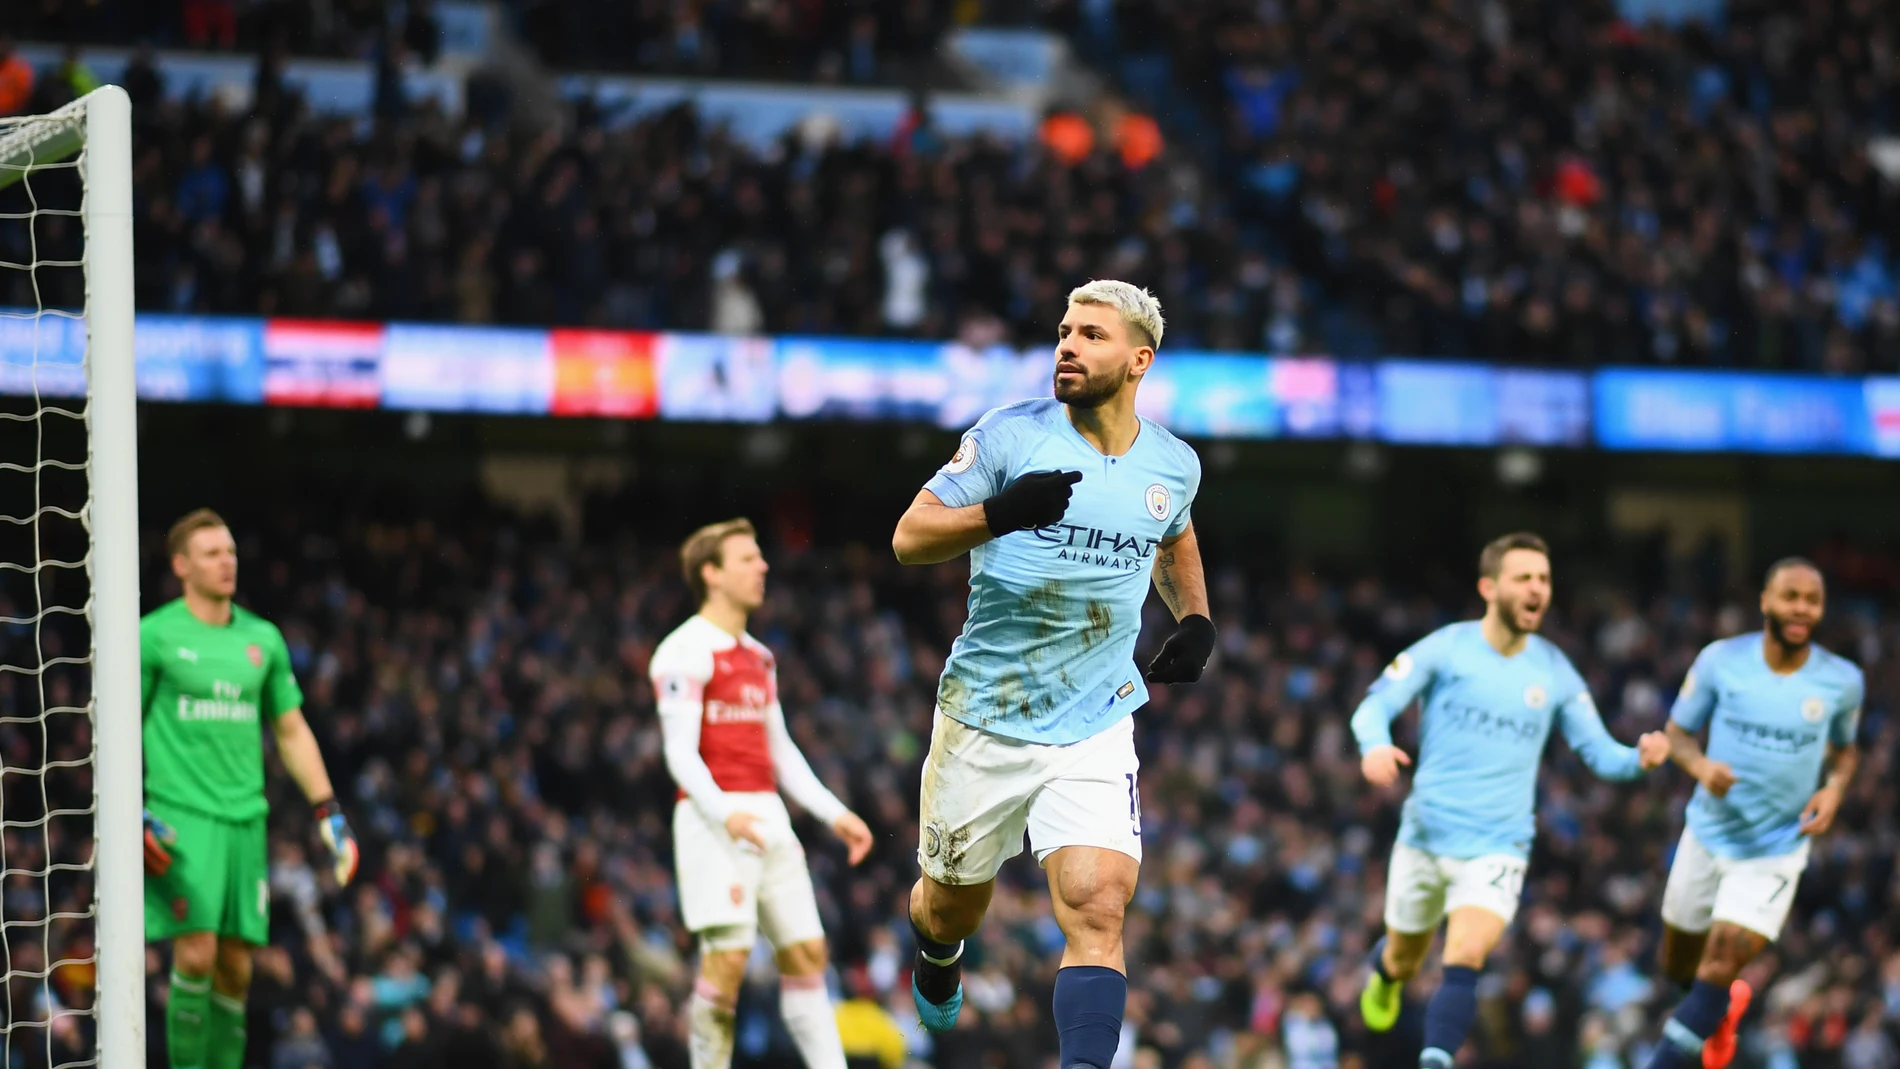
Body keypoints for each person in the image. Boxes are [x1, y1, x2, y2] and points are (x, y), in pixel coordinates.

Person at [891, 279, 1215, 1069]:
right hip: (986, 714)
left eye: (1091, 335)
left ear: (1138, 360)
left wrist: (1196, 621)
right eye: (1065, 331)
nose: (1067, 344)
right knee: (950, 907)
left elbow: (1172, 534)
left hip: (1097, 714)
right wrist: (1000, 513)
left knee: (1100, 902)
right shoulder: (1008, 438)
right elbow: (909, 536)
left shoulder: (1173, 462)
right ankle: (937, 954)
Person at [1351, 531, 1670, 1069]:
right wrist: (1375, 745)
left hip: (1499, 844)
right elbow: (1373, 706)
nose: (1537, 589)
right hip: (1425, 838)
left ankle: (1436, 1061)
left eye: (1544, 579)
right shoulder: (1447, 647)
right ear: (1489, 587)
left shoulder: (1554, 671)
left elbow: (1600, 755)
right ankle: (1386, 976)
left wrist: (1639, 757)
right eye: (1524, 577)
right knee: (1405, 956)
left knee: (1466, 953)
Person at [648, 518, 876, 1069]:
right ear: (712, 573)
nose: (764, 567)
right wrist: (726, 815)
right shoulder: (683, 651)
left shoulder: (759, 657)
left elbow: (780, 749)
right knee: (726, 962)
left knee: (807, 952)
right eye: (748, 559)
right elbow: (680, 753)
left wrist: (833, 812)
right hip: (713, 818)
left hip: (767, 813)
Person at [142, 508, 359, 1069]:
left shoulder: (262, 639)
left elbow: (290, 730)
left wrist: (327, 811)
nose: (227, 561)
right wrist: (129, 811)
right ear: (181, 565)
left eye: (231, 551)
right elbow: (117, 724)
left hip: (246, 820)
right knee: (196, 951)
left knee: (237, 966)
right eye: (212, 553)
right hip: (179, 816)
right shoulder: (154, 636)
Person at [1644, 558, 1863, 1069]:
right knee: (1678, 965)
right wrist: (1700, 766)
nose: (1801, 609)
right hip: (1708, 832)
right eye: (1791, 596)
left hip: (1776, 848)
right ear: (1765, 601)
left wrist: (1833, 790)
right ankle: (1720, 1012)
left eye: (1812, 600)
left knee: (1721, 958)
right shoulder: (1721, 661)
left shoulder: (1842, 680)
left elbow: (1846, 750)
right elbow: (1676, 735)